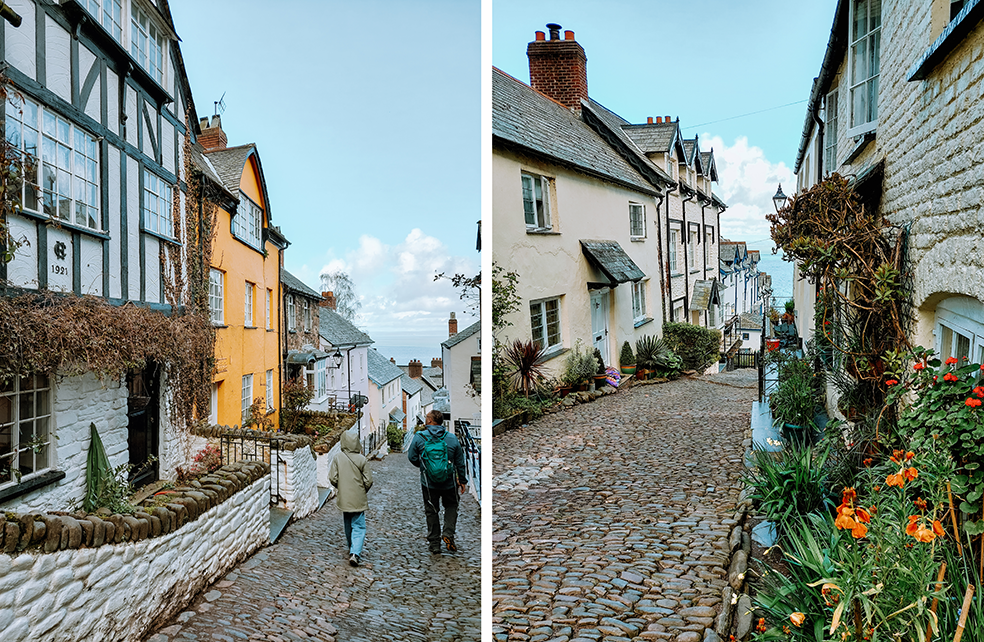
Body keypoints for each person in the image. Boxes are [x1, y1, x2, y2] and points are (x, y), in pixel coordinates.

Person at [408, 410, 467, 553]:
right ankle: (448, 534)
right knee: (452, 506)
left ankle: (434, 543)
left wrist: (425, 468)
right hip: (449, 482)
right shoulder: (452, 439)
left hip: (428, 483)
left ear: (429, 420)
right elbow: (460, 461)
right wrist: (462, 480)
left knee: (431, 511)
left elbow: (411, 456)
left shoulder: (419, 437)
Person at [328, 428, 373, 566]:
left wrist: (342, 487)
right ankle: (355, 552)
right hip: (358, 496)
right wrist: (361, 490)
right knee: (358, 525)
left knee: (348, 522)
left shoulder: (337, 458)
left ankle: (351, 547)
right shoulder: (362, 459)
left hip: (344, 496)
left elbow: (332, 478)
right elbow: (368, 481)